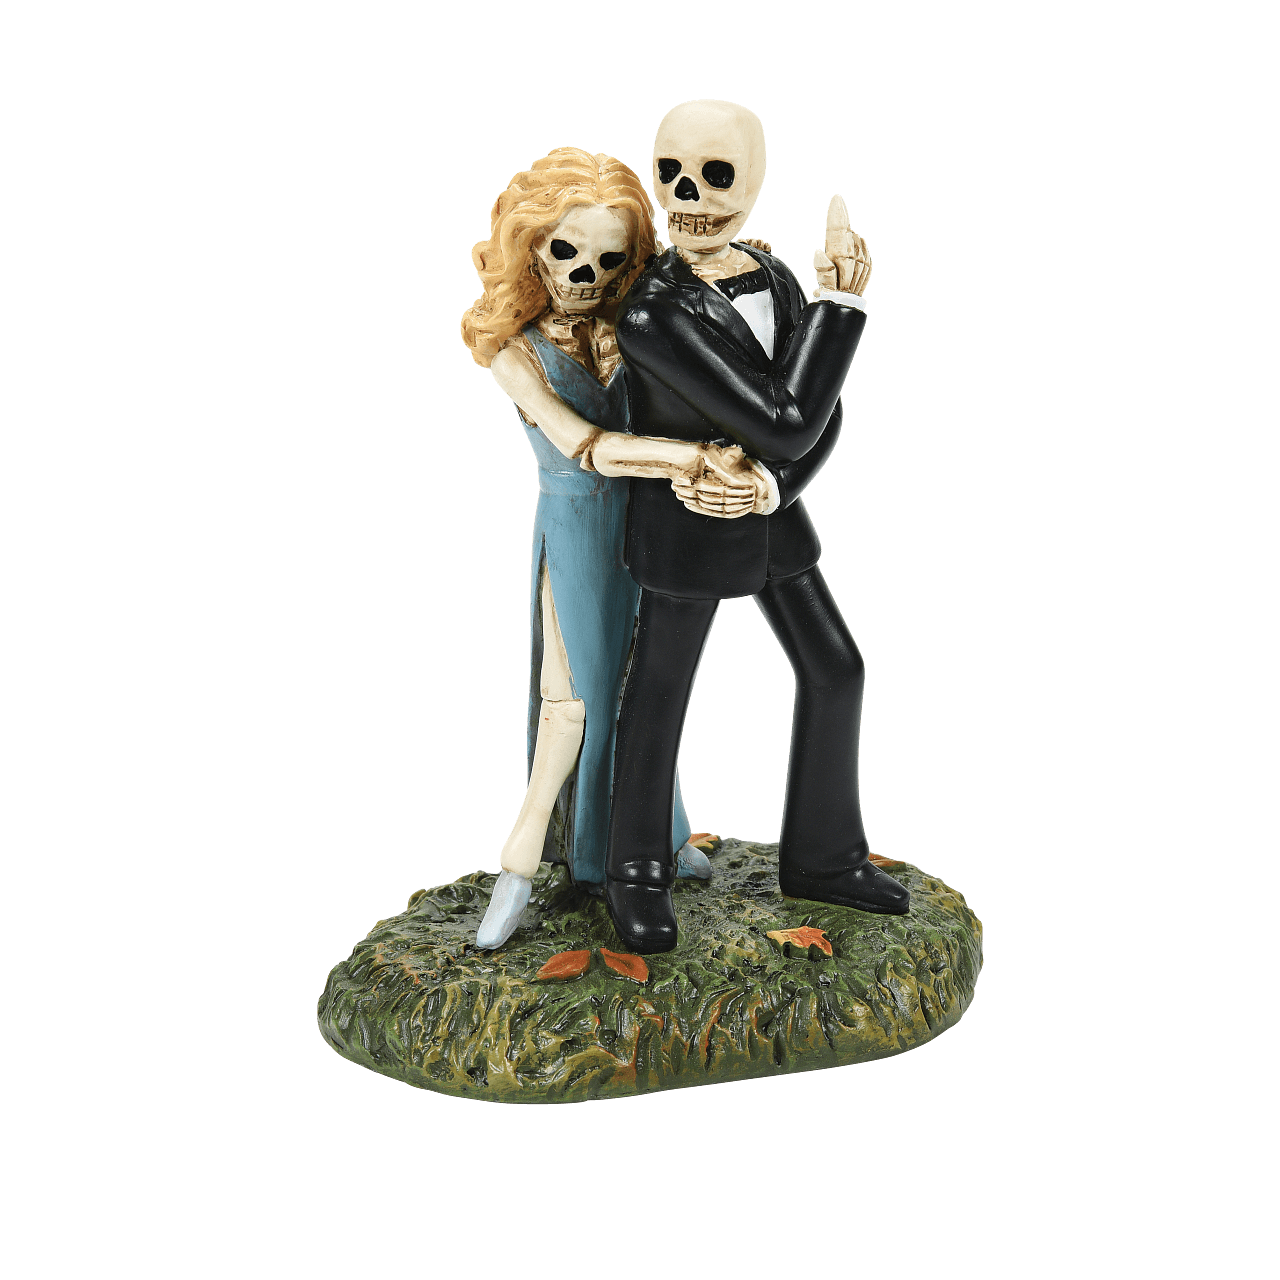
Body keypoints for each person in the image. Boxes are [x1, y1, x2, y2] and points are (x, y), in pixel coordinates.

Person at [602, 101, 911, 954]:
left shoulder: (773, 275)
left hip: (771, 515)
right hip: (688, 519)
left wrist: (774, 485)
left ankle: (824, 856)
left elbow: (821, 415)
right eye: (670, 175)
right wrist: (841, 306)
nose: (688, 198)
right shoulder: (651, 313)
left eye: (716, 177)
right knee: (661, 696)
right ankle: (635, 872)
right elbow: (785, 417)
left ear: (758, 183)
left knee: (837, 667)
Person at [460, 147, 725, 950]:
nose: (586, 276)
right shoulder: (515, 352)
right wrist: (685, 458)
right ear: (531, 248)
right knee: (569, 701)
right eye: (567, 252)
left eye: (610, 261)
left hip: (647, 527)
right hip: (578, 528)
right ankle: (518, 867)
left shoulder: (629, 329)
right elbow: (584, 445)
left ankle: (657, 837)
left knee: (647, 685)